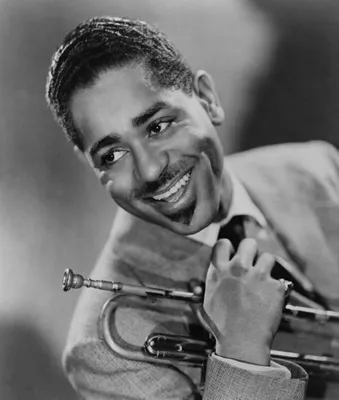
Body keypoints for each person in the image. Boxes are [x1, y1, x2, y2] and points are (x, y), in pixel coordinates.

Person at [46, 16, 339, 400]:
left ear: (207, 100)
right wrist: (241, 354)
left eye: (157, 127)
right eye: (113, 154)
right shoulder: (102, 351)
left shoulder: (318, 167)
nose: (149, 169)